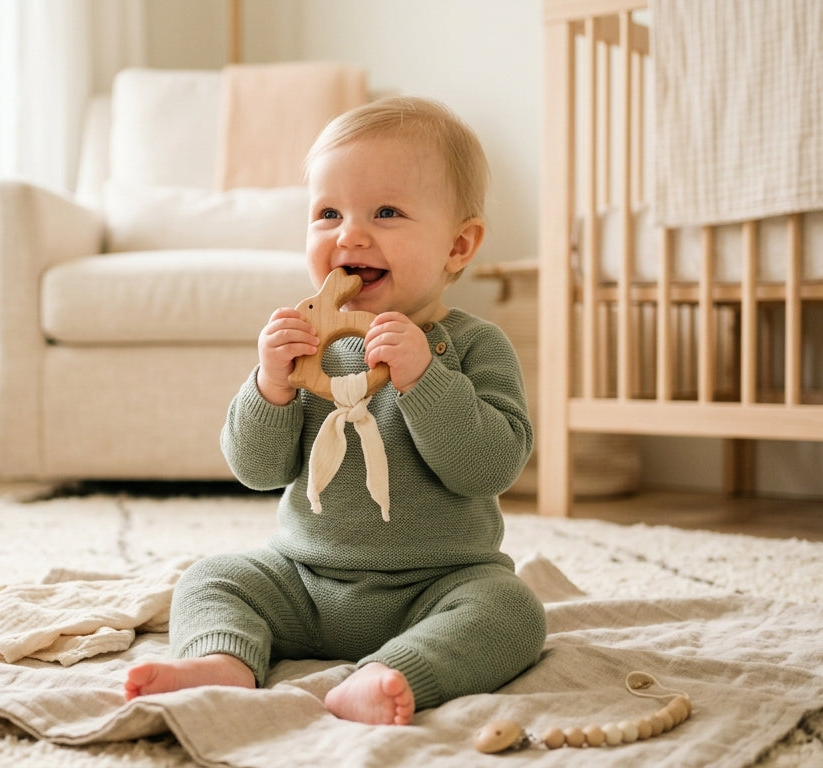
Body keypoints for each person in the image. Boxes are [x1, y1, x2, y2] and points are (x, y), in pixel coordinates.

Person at [124, 96, 545, 726]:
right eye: (328, 213)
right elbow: (257, 469)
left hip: (437, 584)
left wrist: (426, 379)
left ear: (459, 245)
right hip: (304, 580)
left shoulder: (474, 347)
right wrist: (270, 385)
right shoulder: (309, 344)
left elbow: (489, 467)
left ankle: (392, 672)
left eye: (386, 212)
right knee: (210, 577)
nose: (350, 234)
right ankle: (223, 662)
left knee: (514, 612)